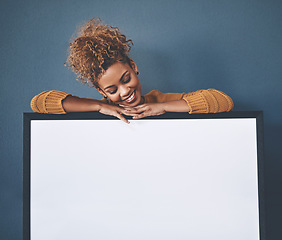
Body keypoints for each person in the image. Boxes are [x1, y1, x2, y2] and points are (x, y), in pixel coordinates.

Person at [31, 18, 233, 124]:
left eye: (126, 79)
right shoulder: (100, 108)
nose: (124, 91)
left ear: (134, 67)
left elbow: (223, 101)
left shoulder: (162, 100)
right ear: (102, 92)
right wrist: (100, 107)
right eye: (112, 90)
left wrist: (164, 108)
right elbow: (40, 102)